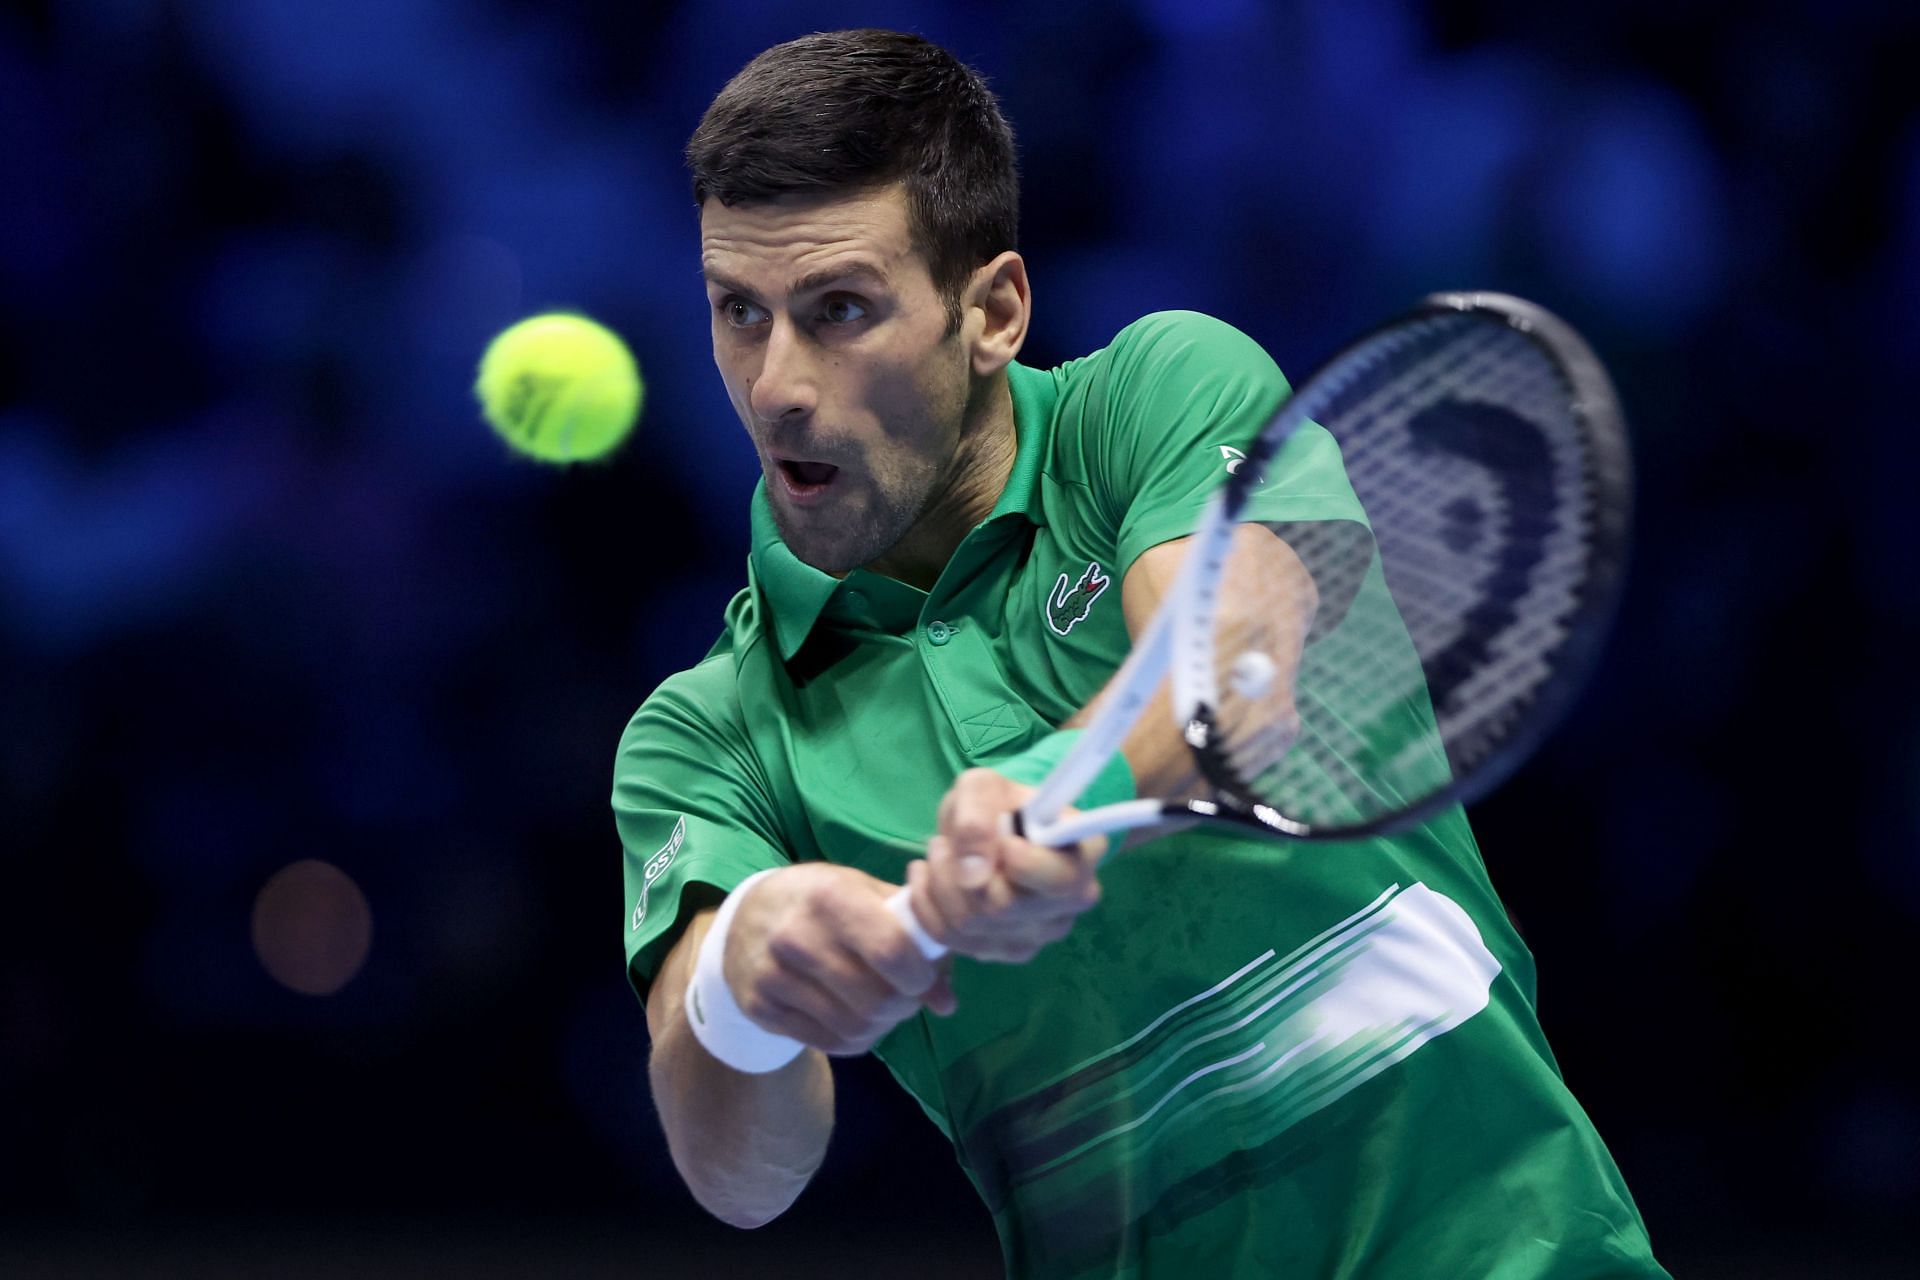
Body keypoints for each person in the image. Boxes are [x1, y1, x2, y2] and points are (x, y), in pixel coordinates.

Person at [614, 28, 1666, 1278]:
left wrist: (1057, 804)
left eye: (839, 309)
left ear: (993, 311)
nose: (778, 384)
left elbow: (1241, 678)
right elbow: (739, 1172)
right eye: (740, 313)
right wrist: (749, 967)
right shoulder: (713, 731)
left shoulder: (1161, 393)